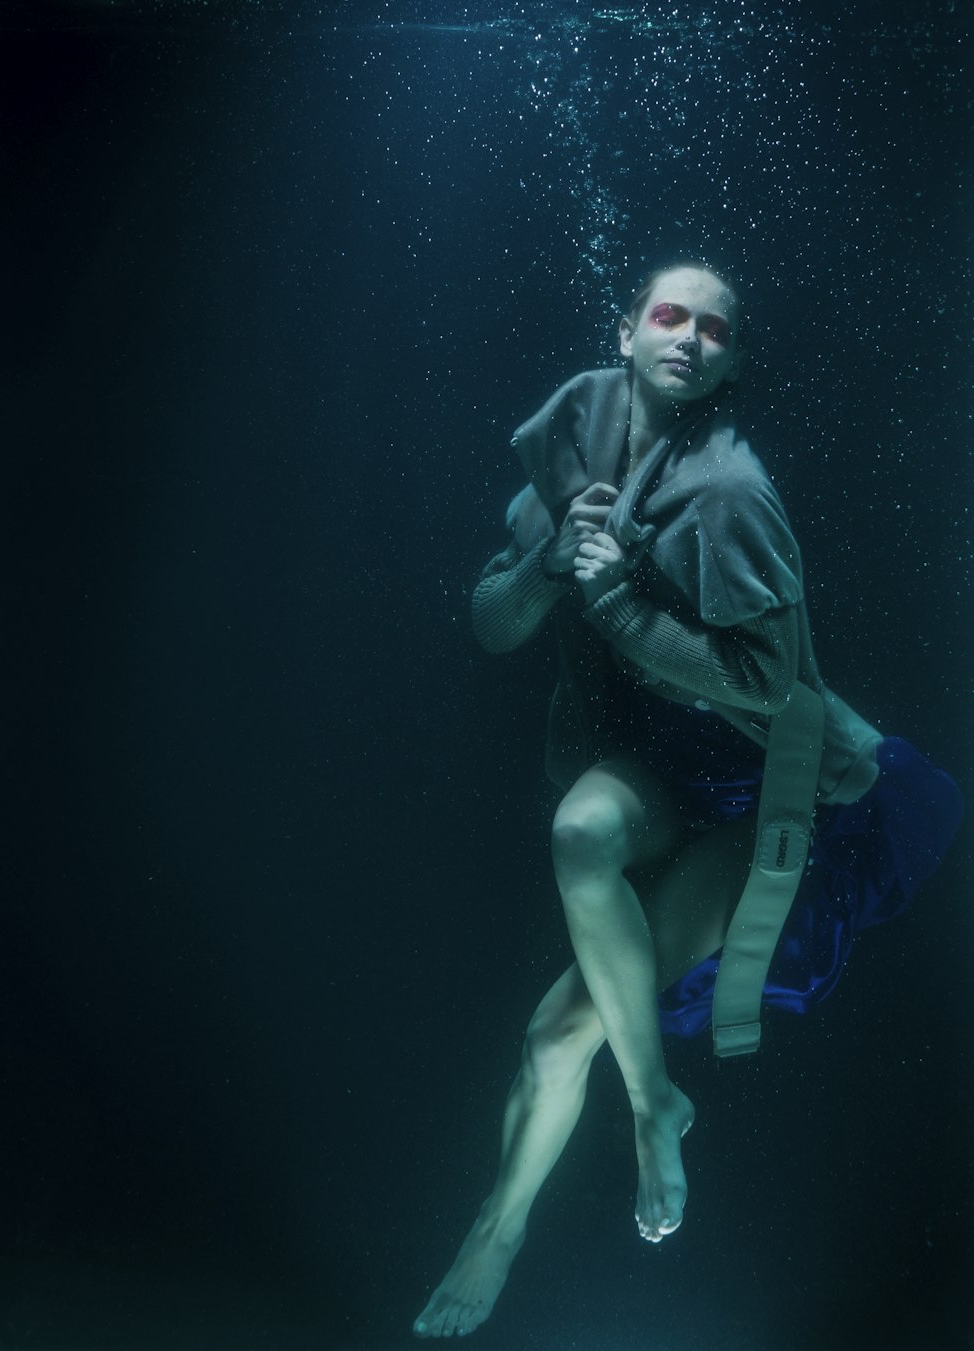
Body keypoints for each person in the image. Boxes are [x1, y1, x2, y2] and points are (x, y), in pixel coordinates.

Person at [412, 264, 962, 1339]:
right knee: (578, 833)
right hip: (655, 767)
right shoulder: (570, 456)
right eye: (669, 314)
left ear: (733, 361)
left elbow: (768, 681)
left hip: (769, 786)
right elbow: (491, 620)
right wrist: (552, 561)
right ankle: (595, 1149)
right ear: (626, 330)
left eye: (716, 329)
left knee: (555, 1038)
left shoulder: (730, 489)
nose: (690, 338)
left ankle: (550, 1183)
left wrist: (612, 592)